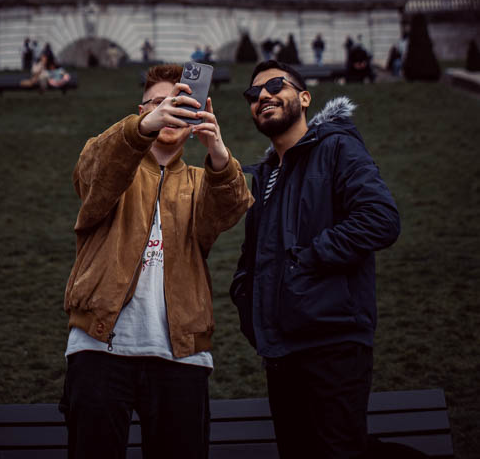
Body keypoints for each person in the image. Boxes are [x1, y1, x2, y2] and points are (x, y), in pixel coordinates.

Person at [60, 62, 252, 459]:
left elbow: (229, 209)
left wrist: (218, 153)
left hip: (181, 353)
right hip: (99, 347)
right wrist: (141, 130)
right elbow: (91, 171)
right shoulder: (114, 159)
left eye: (180, 103)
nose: (169, 110)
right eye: (158, 103)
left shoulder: (203, 180)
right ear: (141, 110)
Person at [230, 61, 400, 459]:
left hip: (333, 342)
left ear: (304, 98)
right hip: (280, 349)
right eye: (253, 94)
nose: (263, 96)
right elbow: (251, 256)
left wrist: (307, 259)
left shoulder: (337, 147)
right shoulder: (265, 174)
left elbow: (381, 219)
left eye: (276, 85)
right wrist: (244, 293)